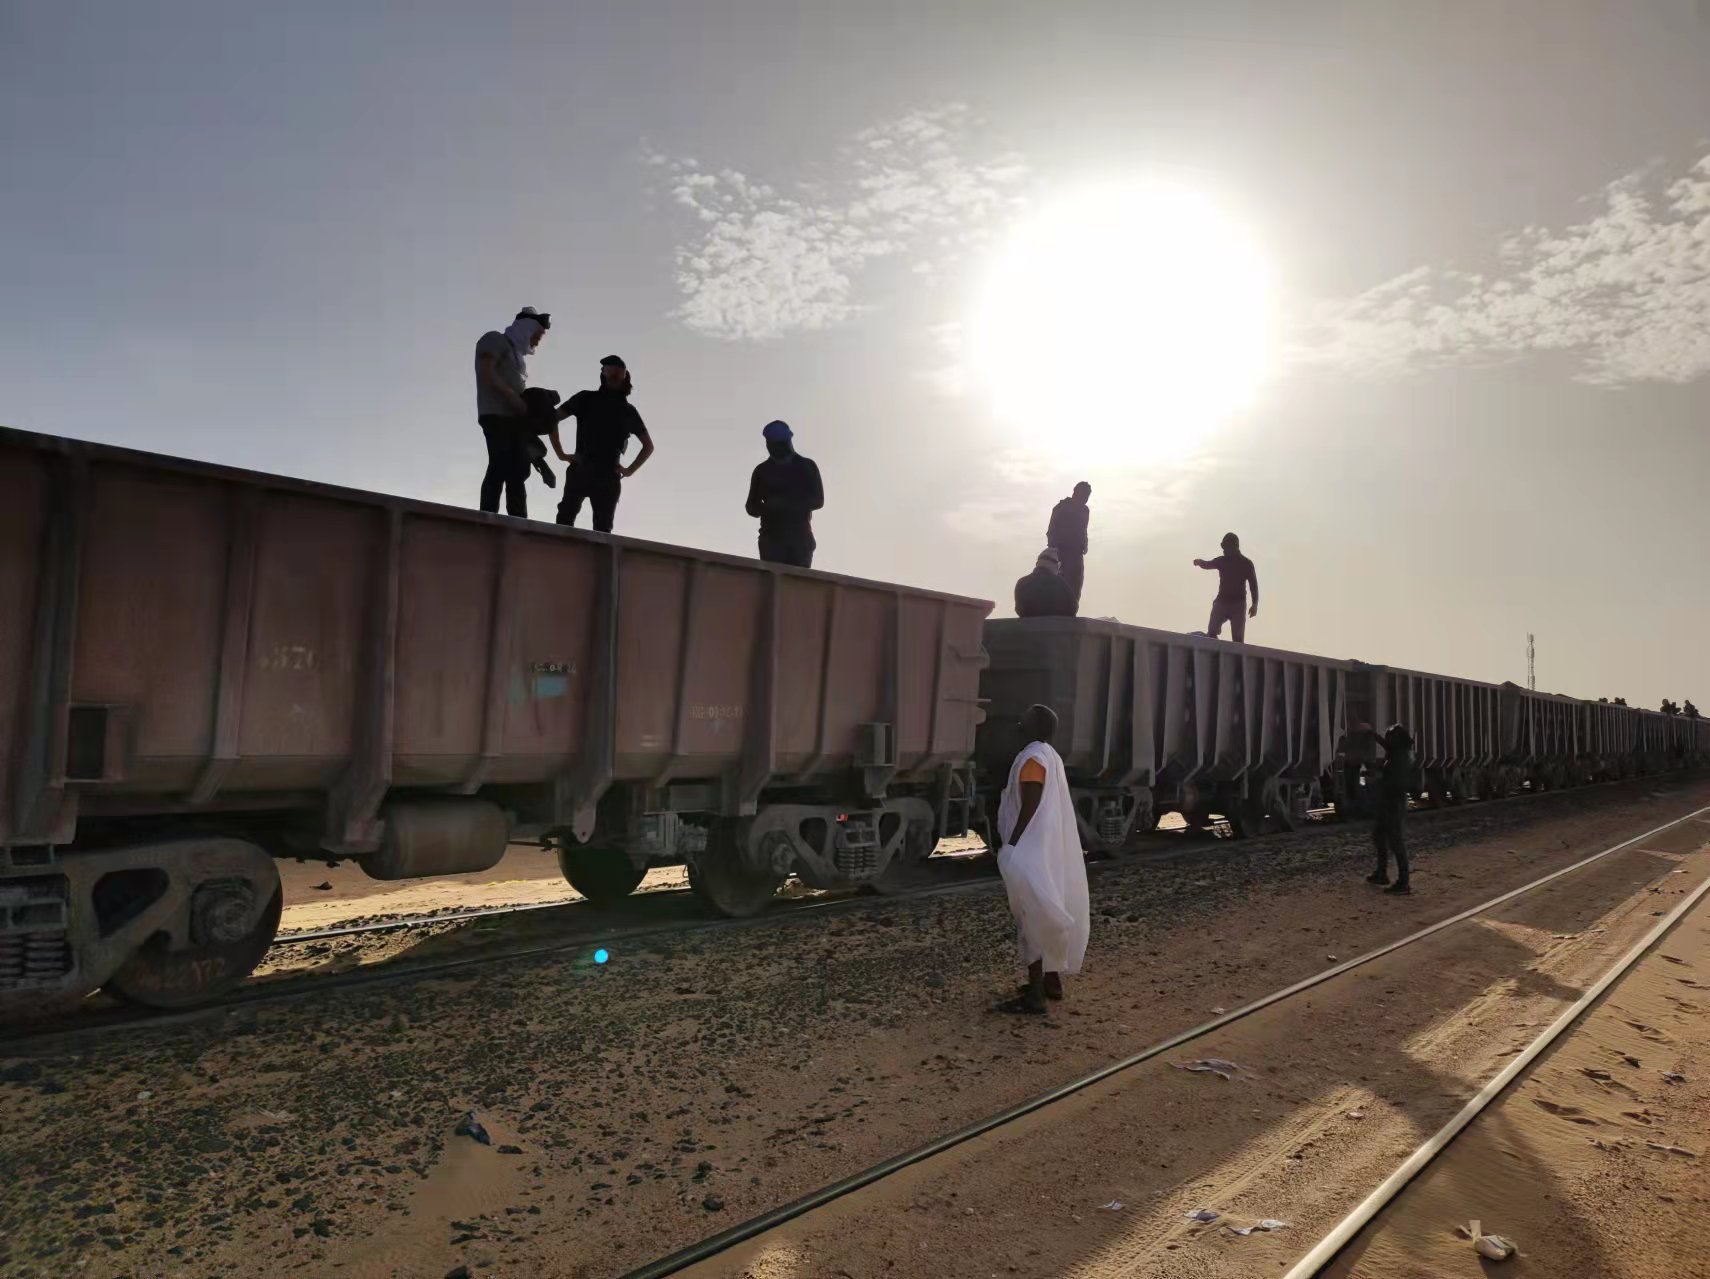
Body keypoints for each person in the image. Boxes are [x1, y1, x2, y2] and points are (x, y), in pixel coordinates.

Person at [992, 704, 1090, 1014]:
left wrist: (1015, 843)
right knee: (1045, 909)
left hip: (1031, 848)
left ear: (1033, 726)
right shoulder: (1050, 754)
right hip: (1046, 847)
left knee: (1031, 915)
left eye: (1025, 718)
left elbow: (1031, 801)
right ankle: (1052, 982)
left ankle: (1035, 995)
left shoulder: (1032, 758)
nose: (1019, 721)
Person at [550, 355, 655, 533]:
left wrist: (629, 470)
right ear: (603, 375)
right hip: (582, 469)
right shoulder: (585, 398)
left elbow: (648, 446)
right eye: (611, 373)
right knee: (565, 520)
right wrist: (560, 453)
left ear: (624, 378)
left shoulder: (628, 411)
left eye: (618, 374)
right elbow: (552, 419)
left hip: (607, 476)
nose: (614, 378)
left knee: (602, 529)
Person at [475, 307, 558, 517]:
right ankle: (487, 517)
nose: (538, 342)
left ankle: (518, 522)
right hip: (495, 416)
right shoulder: (494, 339)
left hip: (514, 420)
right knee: (499, 464)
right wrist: (513, 398)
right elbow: (486, 371)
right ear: (527, 328)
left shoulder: (517, 358)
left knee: (518, 472)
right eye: (537, 335)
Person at [745, 420, 824, 568]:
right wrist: (770, 507)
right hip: (772, 542)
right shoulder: (762, 471)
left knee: (797, 585)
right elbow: (751, 507)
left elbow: (818, 500)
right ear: (770, 445)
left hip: (800, 540)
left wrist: (788, 504)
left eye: (785, 442)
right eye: (779, 444)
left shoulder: (806, 466)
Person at [1368, 722, 1415, 895]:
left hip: (1393, 804)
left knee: (1396, 842)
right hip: (1389, 803)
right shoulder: (1399, 752)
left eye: (1389, 736)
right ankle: (1381, 873)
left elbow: (1397, 782)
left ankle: (1404, 883)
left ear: (1396, 740)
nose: (1387, 739)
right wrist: (1371, 733)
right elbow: (1387, 746)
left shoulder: (1400, 758)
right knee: (1379, 836)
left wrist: (1379, 777)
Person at [1192, 532, 1259, 642]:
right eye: (1222, 547)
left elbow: (1253, 586)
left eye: (1225, 547)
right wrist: (1199, 562)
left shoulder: (1246, 564)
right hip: (1222, 602)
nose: (1223, 550)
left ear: (1234, 547)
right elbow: (1208, 564)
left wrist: (1255, 604)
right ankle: (1213, 651)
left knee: (1237, 640)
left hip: (1238, 605)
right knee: (1212, 632)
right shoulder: (1222, 561)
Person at [1047, 482, 1092, 605]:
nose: (1086, 498)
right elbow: (1051, 529)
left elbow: (1084, 528)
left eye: (1088, 495)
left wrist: (1085, 543)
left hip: (1077, 552)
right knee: (1059, 583)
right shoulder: (1062, 507)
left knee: (1076, 582)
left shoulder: (1085, 510)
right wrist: (1053, 550)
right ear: (1076, 492)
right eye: (1084, 494)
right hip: (1061, 551)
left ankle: (1071, 611)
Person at [1014, 548, 1079, 618]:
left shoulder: (1022, 583)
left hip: (1029, 628)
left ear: (1037, 564)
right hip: (1056, 628)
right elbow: (1073, 608)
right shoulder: (1061, 584)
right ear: (1054, 565)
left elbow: (1019, 610)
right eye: (1059, 566)